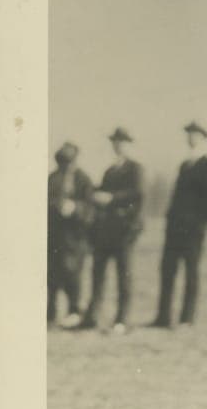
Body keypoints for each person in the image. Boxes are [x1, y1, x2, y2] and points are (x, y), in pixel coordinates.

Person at [74, 128, 145, 334]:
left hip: (125, 230)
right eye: (115, 142)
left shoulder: (135, 169)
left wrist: (111, 198)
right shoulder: (109, 170)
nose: (117, 145)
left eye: (121, 142)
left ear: (129, 145)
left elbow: (137, 194)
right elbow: (100, 192)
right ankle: (92, 316)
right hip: (105, 231)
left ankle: (121, 320)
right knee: (97, 273)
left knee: (124, 276)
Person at [152, 121, 207, 329]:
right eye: (189, 135)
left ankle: (186, 319)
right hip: (174, 229)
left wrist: (198, 223)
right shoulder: (184, 165)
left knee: (191, 272)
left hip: (193, 231)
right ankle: (163, 318)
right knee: (167, 271)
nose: (191, 138)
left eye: (195, 135)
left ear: (203, 138)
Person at [47, 141, 95, 327]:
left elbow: (90, 209)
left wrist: (75, 208)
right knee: (52, 276)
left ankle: (74, 311)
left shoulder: (83, 179)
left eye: (69, 162)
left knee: (73, 275)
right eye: (63, 162)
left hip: (76, 238)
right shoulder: (52, 178)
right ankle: (50, 313)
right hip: (55, 236)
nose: (66, 166)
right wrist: (56, 206)